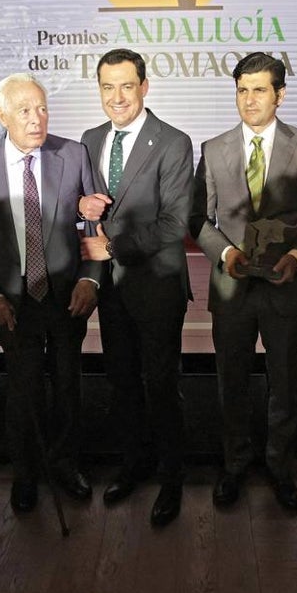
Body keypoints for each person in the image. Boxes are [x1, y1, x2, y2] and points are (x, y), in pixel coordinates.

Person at [0, 73, 102, 514]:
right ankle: (26, 474)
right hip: (10, 303)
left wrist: (91, 279)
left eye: (42, 108)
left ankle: (66, 464)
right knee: (23, 390)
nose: (37, 120)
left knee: (68, 384)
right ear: (1, 116)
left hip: (66, 295)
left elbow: (95, 227)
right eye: (24, 111)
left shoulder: (72, 155)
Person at [189, 51, 297, 513]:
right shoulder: (213, 149)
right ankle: (234, 466)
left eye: (259, 90)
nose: (249, 100)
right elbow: (197, 218)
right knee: (230, 382)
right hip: (232, 286)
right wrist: (225, 252)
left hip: (286, 285)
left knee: (284, 384)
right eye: (242, 90)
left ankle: (279, 467)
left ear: (280, 95)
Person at [78, 48, 193, 527]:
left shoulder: (174, 141)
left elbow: (175, 223)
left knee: (162, 385)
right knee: (122, 382)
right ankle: (134, 464)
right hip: (110, 290)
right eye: (108, 87)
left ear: (145, 86)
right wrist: (82, 206)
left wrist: (114, 248)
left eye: (127, 85)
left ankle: (172, 478)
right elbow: (84, 206)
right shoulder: (88, 139)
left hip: (157, 285)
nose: (117, 96)